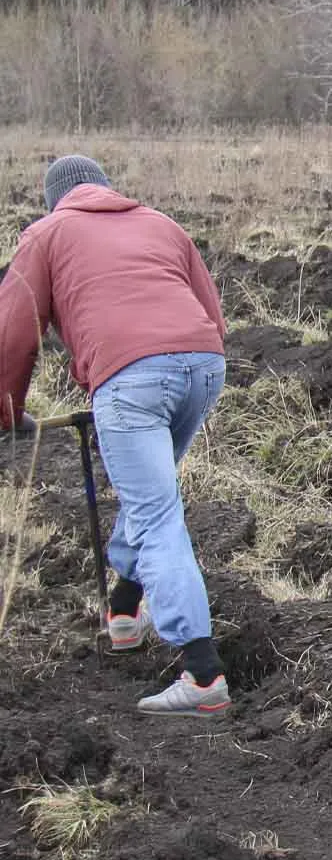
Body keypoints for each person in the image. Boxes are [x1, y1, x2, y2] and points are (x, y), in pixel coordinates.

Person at [0, 156, 231, 717]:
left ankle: (202, 674)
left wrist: (7, 413)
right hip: (203, 366)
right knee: (151, 493)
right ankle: (125, 612)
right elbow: (212, 315)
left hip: (131, 380)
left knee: (155, 515)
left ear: (55, 197)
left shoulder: (47, 233)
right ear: (105, 188)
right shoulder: (160, 223)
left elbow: (12, 335)